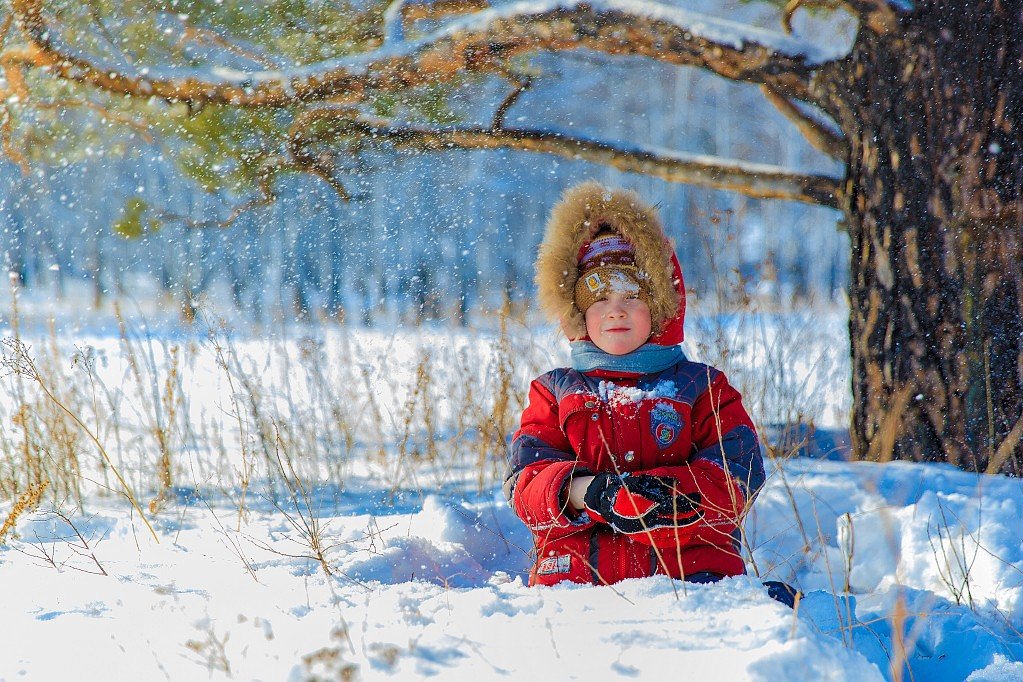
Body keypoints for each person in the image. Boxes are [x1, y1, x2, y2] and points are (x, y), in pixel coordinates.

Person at [505, 181, 771, 593]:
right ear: (577, 312)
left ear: (660, 304)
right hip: (575, 589)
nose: (616, 310)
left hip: (693, 583)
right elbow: (526, 485)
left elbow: (740, 473)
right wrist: (587, 493)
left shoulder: (702, 388)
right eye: (598, 297)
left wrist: (667, 498)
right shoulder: (554, 393)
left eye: (632, 295)